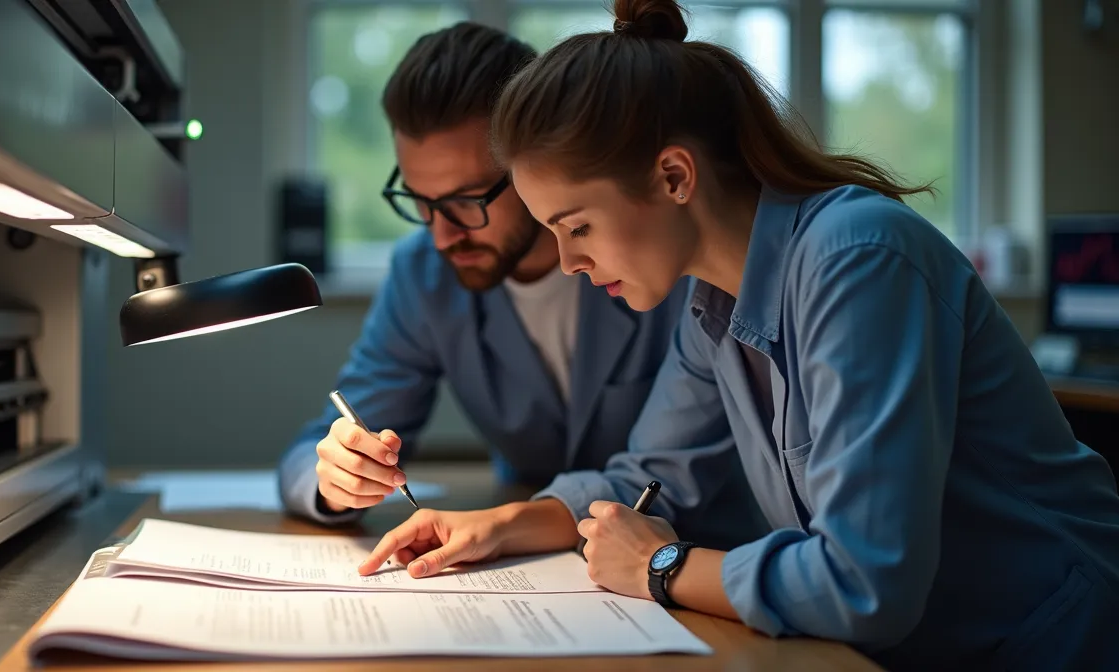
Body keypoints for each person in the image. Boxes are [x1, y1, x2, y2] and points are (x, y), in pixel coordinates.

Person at [356, 0, 1119, 668]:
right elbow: (647, 479)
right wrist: (497, 526)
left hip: (1047, 643)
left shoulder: (857, 260)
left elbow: (865, 583)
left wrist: (662, 565)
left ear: (675, 177)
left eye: (578, 226)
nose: (567, 262)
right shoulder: (712, 304)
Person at [277, 22, 749, 535]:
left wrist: (506, 526)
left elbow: (664, 476)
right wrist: (335, 476)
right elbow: (313, 451)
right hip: (531, 559)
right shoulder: (425, 274)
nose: (442, 237)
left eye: (467, 201)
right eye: (420, 202)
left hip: (698, 557)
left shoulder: (666, 253)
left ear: (531, 164)